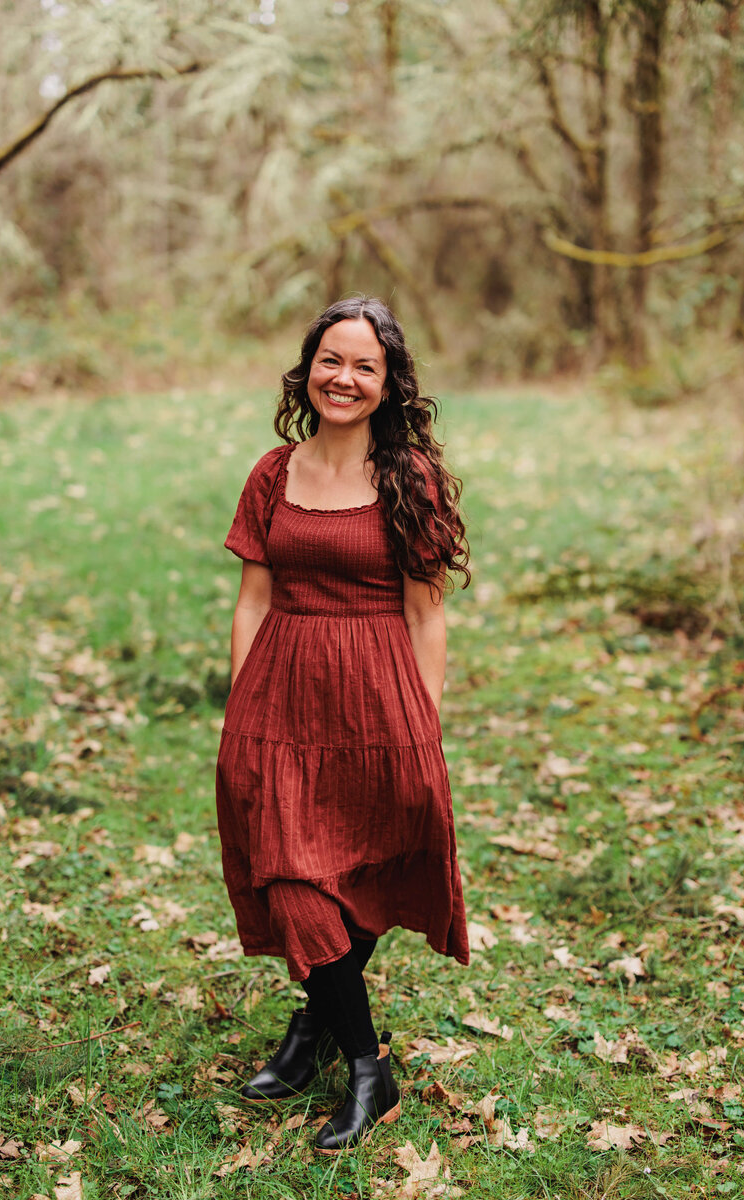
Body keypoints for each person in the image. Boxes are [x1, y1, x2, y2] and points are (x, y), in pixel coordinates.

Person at [215, 296, 470, 1153]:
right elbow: (252, 600)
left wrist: (421, 725)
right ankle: (368, 1065)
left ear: (389, 382)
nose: (345, 379)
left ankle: (310, 1029)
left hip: (377, 700)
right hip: (281, 694)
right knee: (290, 871)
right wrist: (241, 706)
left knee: (355, 870)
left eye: (365, 366)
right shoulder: (271, 473)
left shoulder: (411, 480)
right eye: (332, 360)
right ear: (308, 367)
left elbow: (428, 615)